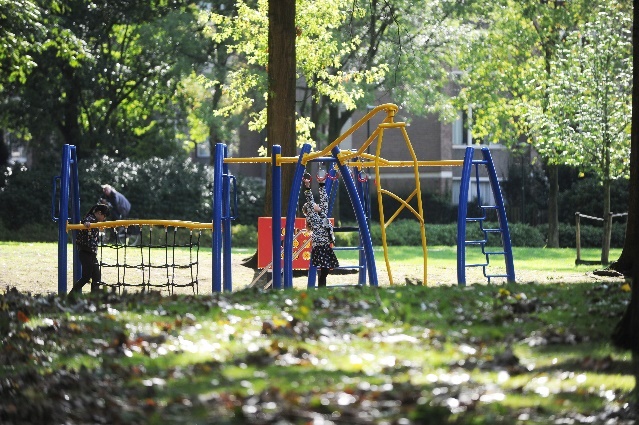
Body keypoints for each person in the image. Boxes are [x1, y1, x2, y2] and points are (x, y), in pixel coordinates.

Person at [302, 171, 339, 287]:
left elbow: (324, 201)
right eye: (313, 206)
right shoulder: (312, 217)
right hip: (320, 246)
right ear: (310, 210)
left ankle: (322, 286)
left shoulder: (320, 213)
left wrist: (321, 184)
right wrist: (307, 187)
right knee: (325, 269)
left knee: (326, 269)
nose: (316, 205)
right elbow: (310, 200)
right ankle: (322, 286)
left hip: (325, 245)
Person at [69, 203, 110, 296]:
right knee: (86, 277)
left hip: (91, 253)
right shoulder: (90, 218)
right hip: (86, 252)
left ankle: (93, 299)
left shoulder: (95, 220)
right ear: (99, 213)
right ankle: (70, 296)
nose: (104, 219)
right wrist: (86, 223)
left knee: (96, 278)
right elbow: (86, 221)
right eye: (104, 216)